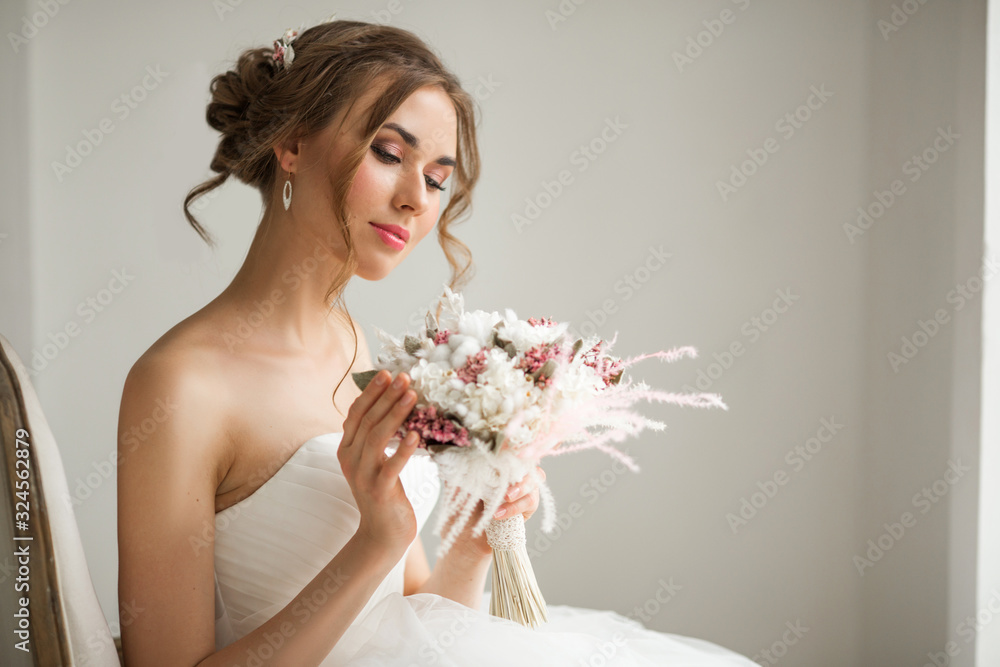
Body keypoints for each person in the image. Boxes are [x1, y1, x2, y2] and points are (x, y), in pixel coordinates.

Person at [116, 16, 758, 666]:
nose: (416, 200)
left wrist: (477, 539)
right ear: (291, 143)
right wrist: (375, 542)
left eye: (436, 178)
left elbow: (405, 612)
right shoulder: (179, 384)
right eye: (389, 154)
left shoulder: (354, 344)